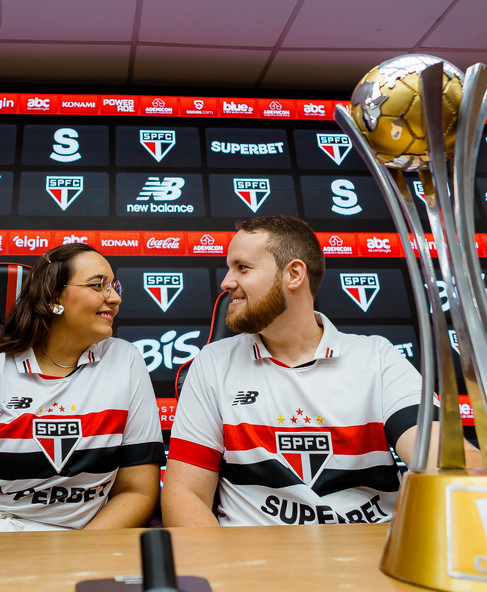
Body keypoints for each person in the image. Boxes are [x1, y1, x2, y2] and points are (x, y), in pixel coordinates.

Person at [163, 216, 464, 527]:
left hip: (370, 549)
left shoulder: (376, 357)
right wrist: (227, 560)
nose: (226, 282)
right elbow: (185, 494)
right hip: (253, 554)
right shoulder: (213, 363)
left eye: (242, 268)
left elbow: (442, 460)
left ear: (294, 274)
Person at [0, 243, 164, 532]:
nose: (114, 298)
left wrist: (78, 552)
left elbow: (137, 491)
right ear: (52, 298)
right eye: (97, 285)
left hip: (82, 543)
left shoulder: (125, 360)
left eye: (113, 286)